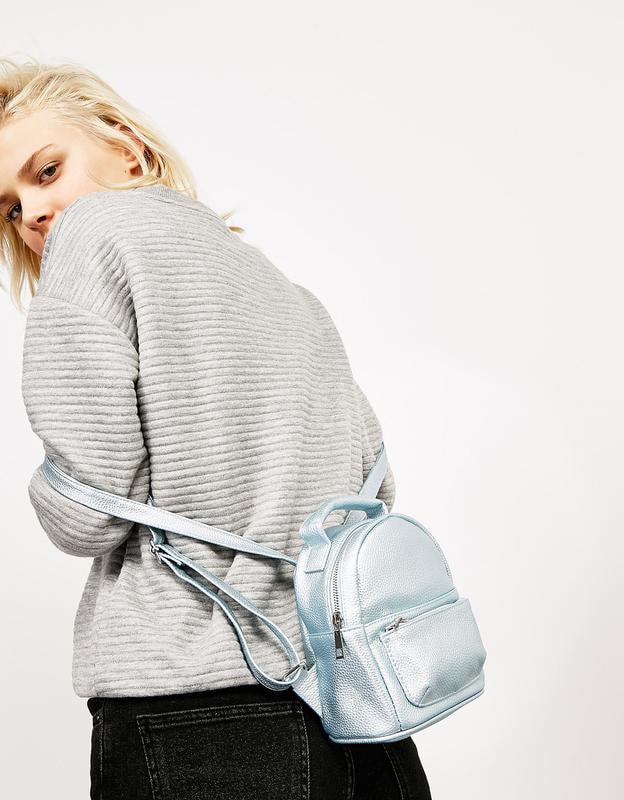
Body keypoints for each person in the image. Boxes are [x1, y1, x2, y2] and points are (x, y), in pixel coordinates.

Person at [0, 57, 433, 800]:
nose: (35, 213)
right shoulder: (284, 287)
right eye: (9, 208)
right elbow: (375, 483)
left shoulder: (92, 237)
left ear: (127, 148)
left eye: (46, 171)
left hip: (196, 709)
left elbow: (88, 515)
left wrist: (49, 491)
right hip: (358, 706)